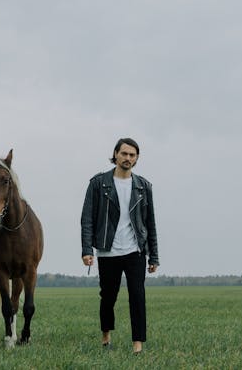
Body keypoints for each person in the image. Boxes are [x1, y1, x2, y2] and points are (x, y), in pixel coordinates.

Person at [80, 138, 159, 353]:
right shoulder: (98, 183)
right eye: (124, 154)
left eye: (132, 155)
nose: (128, 158)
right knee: (108, 297)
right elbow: (87, 218)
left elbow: (150, 223)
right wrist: (87, 250)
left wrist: (154, 257)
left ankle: (138, 345)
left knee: (137, 295)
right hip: (108, 250)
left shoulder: (143, 186)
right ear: (115, 154)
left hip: (135, 250)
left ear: (137, 158)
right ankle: (106, 335)